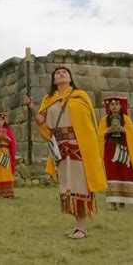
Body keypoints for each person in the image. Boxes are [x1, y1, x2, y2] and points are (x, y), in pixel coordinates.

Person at [23, 66, 107, 239]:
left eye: (65, 72)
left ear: (70, 78)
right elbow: (41, 121)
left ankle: (82, 228)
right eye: (57, 73)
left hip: (79, 147)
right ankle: (77, 225)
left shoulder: (81, 96)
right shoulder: (49, 99)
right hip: (60, 148)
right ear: (54, 80)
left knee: (80, 185)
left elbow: (88, 125)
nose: (61, 74)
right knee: (67, 186)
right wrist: (31, 107)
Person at [98, 96, 133, 210]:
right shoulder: (104, 120)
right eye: (112, 104)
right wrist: (108, 131)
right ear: (109, 106)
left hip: (124, 152)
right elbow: (99, 135)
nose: (114, 106)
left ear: (121, 106)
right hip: (110, 151)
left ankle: (123, 201)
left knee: (123, 174)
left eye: (116, 104)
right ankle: (112, 203)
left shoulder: (126, 119)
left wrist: (123, 130)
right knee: (111, 174)